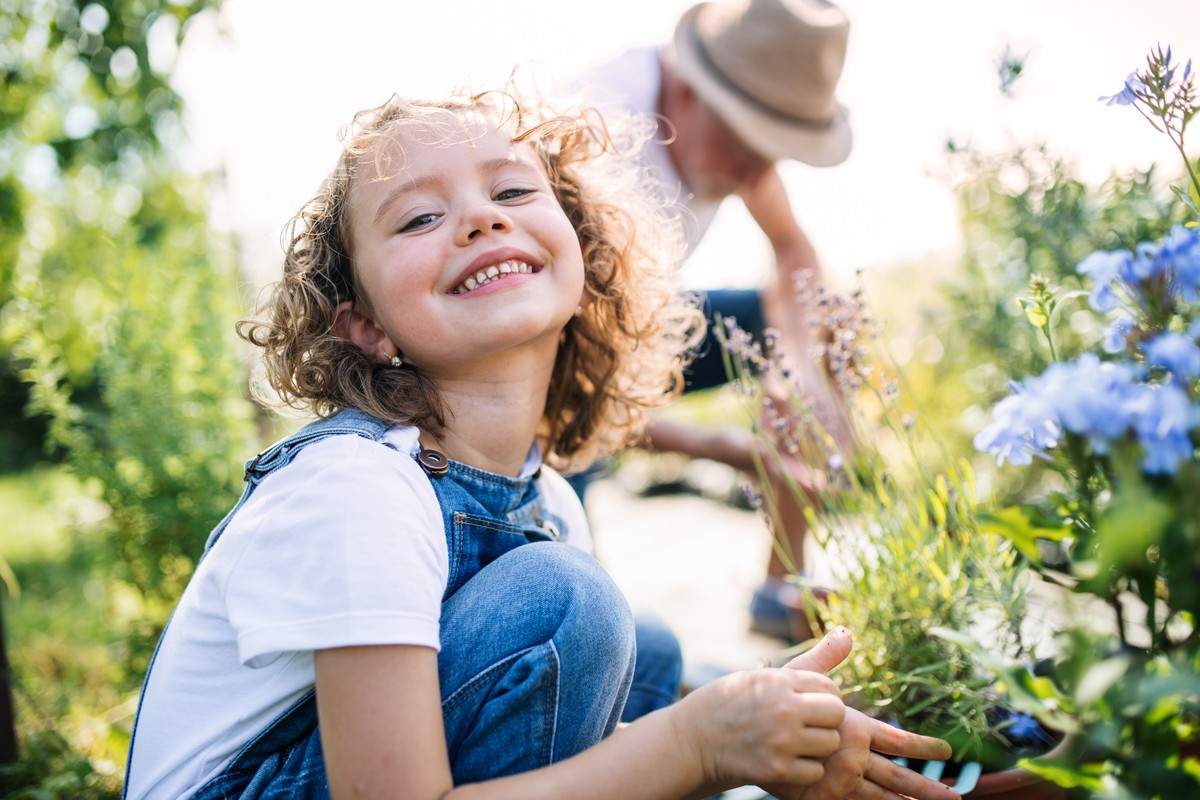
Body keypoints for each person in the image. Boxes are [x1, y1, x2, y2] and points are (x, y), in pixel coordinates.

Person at [121, 87, 958, 800]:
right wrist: (699, 746)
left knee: (645, 652)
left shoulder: (547, 497)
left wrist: (760, 741)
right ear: (366, 327)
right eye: (419, 216)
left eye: (515, 194)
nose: (481, 219)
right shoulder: (358, 486)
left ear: (584, 258)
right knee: (569, 611)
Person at [564, 0, 857, 644]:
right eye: (751, 143)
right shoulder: (596, 148)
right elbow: (560, 387)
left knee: (826, 319)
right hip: (553, 376)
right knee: (585, 621)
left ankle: (781, 586)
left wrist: (796, 373)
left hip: (635, 328)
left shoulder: (731, 139)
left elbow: (795, 252)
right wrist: (729, 451)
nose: (758, 174)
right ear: (691, 90)